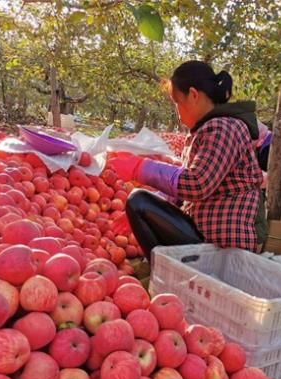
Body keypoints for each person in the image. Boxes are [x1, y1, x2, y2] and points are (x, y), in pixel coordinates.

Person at [107, 61, 266, 257]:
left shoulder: (224, 128)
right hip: (208, 233)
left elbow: (196, 183)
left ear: (193, 95)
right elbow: (182, 190)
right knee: (140, 204)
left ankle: (163, 270)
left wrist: (140, 168)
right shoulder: (211, 128)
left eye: (177, 102)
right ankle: (165, 267)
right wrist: (149, 213)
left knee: (138, 199)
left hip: (225, 244)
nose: (178, 112)